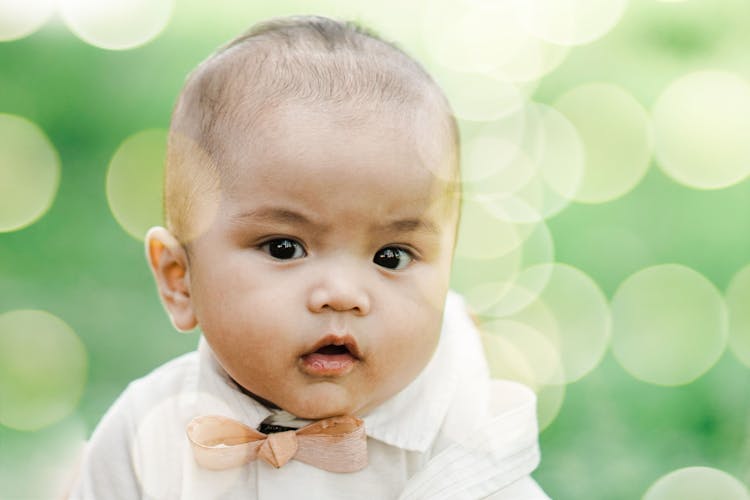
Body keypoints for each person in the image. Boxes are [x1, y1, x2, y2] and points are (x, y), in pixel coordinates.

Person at [69, 15, 548, 499]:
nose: (343, 295)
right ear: (179, 279)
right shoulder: (147, 435)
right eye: (285, 248)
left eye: (392, 256)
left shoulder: (463, 435)